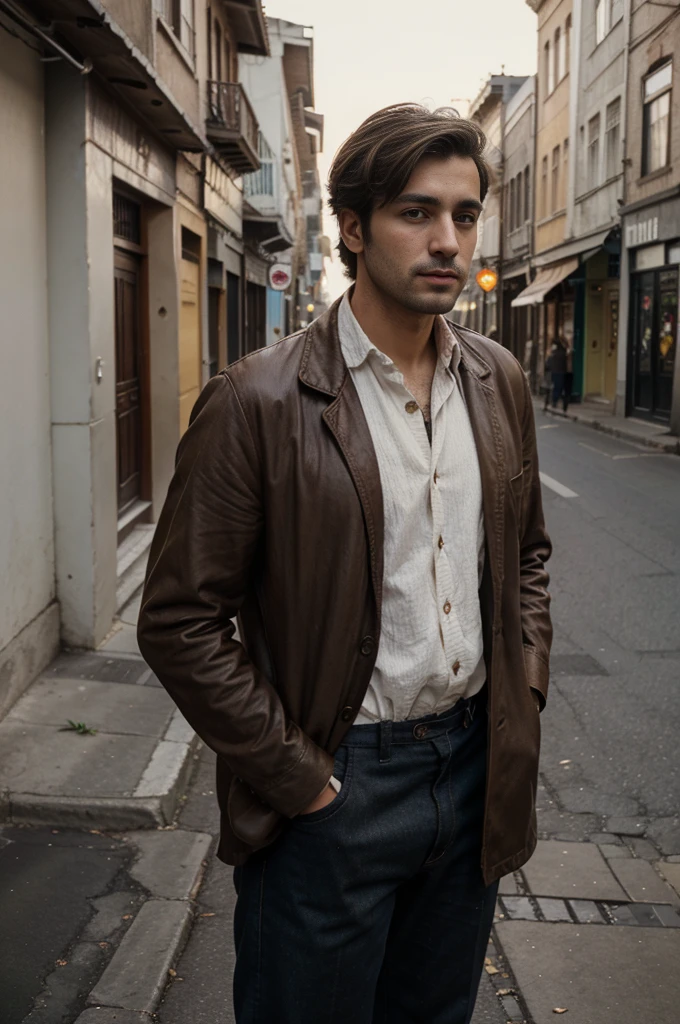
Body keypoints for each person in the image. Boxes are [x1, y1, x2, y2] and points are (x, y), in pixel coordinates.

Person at [138, 103, 553, 1024]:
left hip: (474, 773)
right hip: (336, 786)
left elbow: (526, 558)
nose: (447, 241)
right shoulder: (257, 401)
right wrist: (305, 782)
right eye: (416, 213)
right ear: (355, 229)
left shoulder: (499, 381)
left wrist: (520, 693)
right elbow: (178, 620)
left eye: (464, 214)